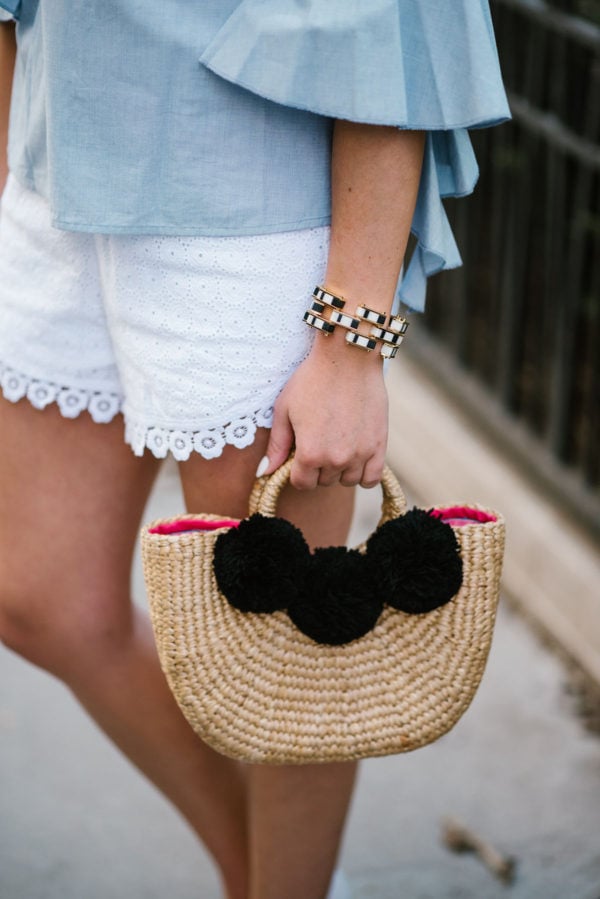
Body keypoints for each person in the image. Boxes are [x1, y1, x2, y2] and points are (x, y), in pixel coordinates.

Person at [0, 3, 509, 897]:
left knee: (289, 646)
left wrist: (351, 344)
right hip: (52, 176)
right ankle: (267, 878)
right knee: (36, 593)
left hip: (245, 201)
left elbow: (389, 20)